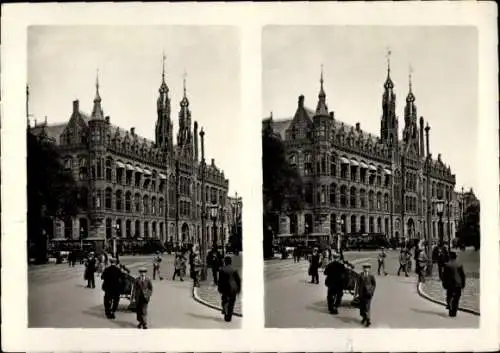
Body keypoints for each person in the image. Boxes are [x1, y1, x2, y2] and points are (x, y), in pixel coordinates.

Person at [217, 256, 241, 322]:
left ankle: (225, 310)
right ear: (231, 262)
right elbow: (238, 280)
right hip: (233, 288)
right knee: (232, 303)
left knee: (224, 300)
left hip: (225, 288)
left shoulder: (222, 270)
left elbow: (220, 281)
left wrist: (219, 288)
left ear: (225, 262)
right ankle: (229, 317)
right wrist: (239, 288)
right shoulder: (234, 269)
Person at [441, 251, 466, 317]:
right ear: (455, 257)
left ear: (450, 257)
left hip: (450, 284)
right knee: (456, 298)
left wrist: (444, 283)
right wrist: (463, 284)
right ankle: (454, 312)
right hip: (458, 284)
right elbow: (462, 275)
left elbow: (444, 276)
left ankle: (449, 304)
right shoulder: (459, 264)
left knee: (449, 296)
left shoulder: (447, 265)